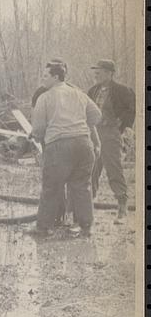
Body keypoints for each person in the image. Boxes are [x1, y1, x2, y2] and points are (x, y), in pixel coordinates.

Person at [30, 61, 102, 238]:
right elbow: (96, 116)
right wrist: (78, 126)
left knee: (51, 187)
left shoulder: (45, 97)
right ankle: (87, 227)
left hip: (59, 146)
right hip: (84, 145)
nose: (42, 79)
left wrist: (36, 135)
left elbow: (38, 129)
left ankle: (43, 227)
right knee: (82, 187)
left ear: (56, 77)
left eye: (45, 76)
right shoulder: (79, 93)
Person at [87, 59, 135, 223]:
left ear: (109, 73)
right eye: (95, 72)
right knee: (91, 170)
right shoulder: (92, 91)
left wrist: (123, 127)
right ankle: (88, 207)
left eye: (99, 72)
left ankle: (122, 207)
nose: (96, 74)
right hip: (94, 134)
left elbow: (130, 110)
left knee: (113, 169)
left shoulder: (122, 91)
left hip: (110, 135)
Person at [31, 58, 72, 228]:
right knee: (51, 179)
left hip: (65, 140)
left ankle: (60, 216)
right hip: (48, 140)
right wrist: (35, 133)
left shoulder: (71, 91)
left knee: (61, 179)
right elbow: (36, 117)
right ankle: (54, 215)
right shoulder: (40, 93)